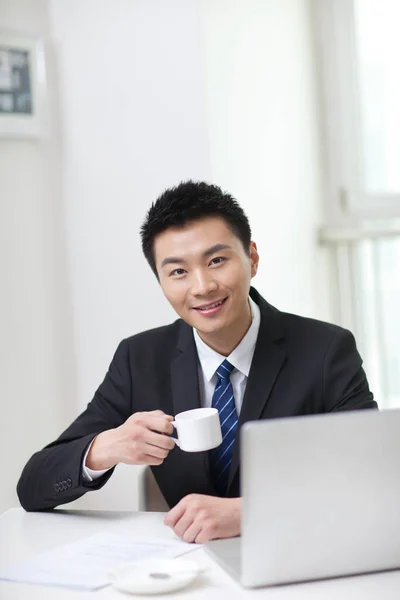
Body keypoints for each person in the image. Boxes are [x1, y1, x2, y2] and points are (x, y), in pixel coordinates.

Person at [17, 181, 377, 543]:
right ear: (160, 281)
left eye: (217, 261)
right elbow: (32, 487)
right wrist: (106, 447)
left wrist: (250, 512)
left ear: (251, 258)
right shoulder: (139, 358)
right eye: (178, 272)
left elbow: (374, 476)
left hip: (299, 553)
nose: (202, 286)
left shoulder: (326, 350)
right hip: (190, 572)